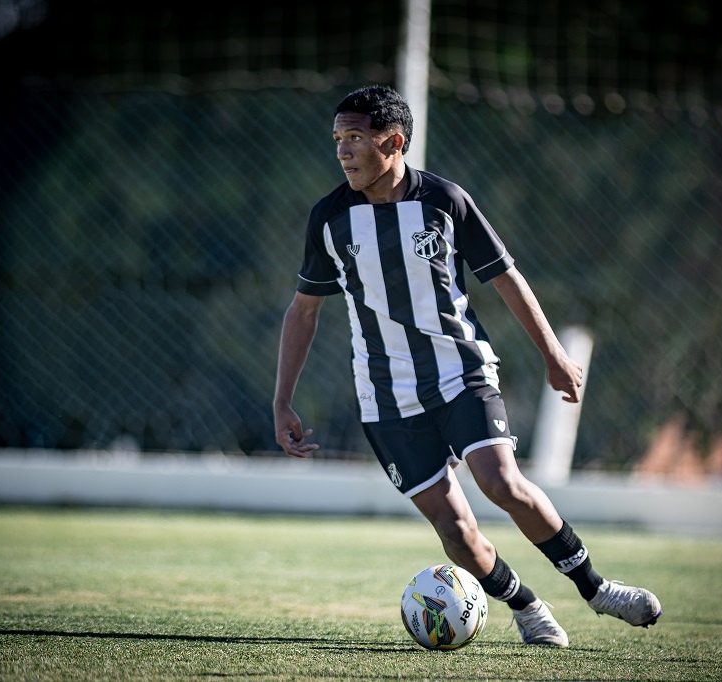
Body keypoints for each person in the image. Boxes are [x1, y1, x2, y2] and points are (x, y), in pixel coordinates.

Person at [273, 84, 662, 647]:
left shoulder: (445, 201)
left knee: (502, 483)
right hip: (386, 396)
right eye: (338, 139)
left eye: (355, 137)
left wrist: (553, 354)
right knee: (455, 530)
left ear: (394, 142)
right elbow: (303, 311)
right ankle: (527, 607)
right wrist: (282, 399)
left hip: (462, 373)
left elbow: (505, 277)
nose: (343, 151)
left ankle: (596, 589)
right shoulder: (330, 218)